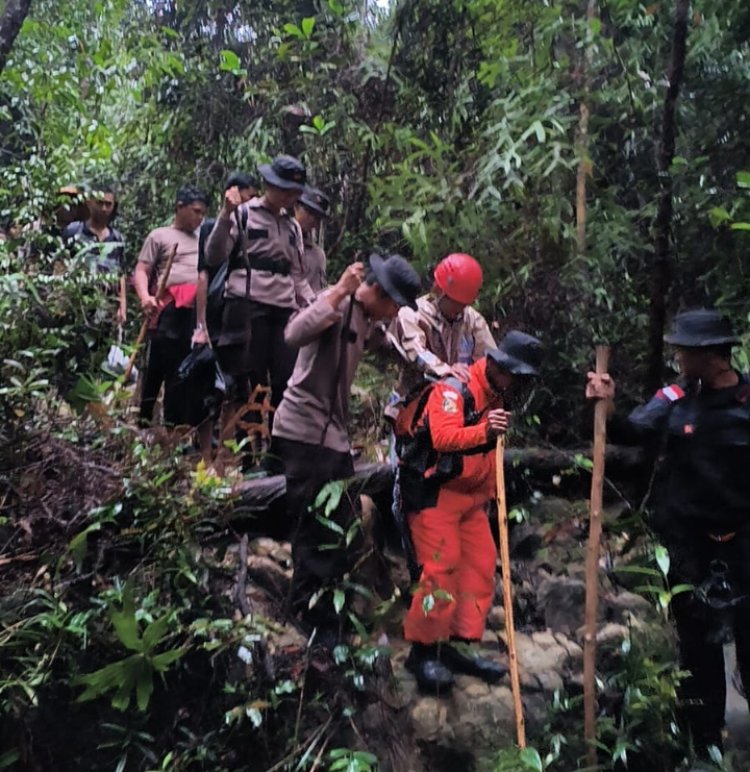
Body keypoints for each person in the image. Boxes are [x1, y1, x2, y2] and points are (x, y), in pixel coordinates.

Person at [586, 308, 750, 757]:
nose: (678, 354)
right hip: (688, 541)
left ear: (715, 357)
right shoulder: (675, 396)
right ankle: (705, 744)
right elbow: (633, 431)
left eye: (687, 349)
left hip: (744, 538)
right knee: (696, 645)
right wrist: (608, 402)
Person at [271, 254, 421, 644]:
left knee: (340, 523)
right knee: (314, 524)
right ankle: (307, 615)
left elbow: (378, 342)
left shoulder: (366, 318)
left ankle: (327, 611)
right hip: (304, 432)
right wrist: (338, 290)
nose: (393, 313)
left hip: (331, 437)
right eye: (393, 305)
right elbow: (293, 333)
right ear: (381, 293)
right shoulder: (336, 304)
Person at [400, 331, 542, 693]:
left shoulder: (499, 396)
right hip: (436, 495)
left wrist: (491, 493)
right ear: (496, 366)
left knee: (480, 565)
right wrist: (483, 431)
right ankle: (423, 651)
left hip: (471, 500)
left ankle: (456, 645)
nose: (519, 386)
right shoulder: (453, 390)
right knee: (440, 569)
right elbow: (443, 438)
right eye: (516, 377)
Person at [204, 155, 315, 446]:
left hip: (284, 312)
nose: (291, 198)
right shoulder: (243, 214)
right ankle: (248, 453)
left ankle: (278, 450)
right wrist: (225, 214)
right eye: (286, 190)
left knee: (285, 382)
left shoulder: (292, 228)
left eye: (295, 193)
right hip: (247, 308)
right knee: (249, 385)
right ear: (269, 185)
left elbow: (297, 276)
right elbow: (214, 255)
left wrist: (315, 305)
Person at [133, 185, 208, 425]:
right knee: (159, 365)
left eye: (202, 213)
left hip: (196, 312)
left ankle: (176, 425)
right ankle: (145, 420)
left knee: (186, 369)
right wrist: (146, 297)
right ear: (180, 208)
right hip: (170, 309)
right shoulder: (160, 236)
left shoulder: (204, 239)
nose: (199, 217)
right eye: (195, 211)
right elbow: (141, 270)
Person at [389, 252, 496, 411]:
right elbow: (417, 352)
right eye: (456, 303)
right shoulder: (412, 315)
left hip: (455, 405)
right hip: (413, 403)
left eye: (463, 304)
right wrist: (446, 370)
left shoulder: (473, 321)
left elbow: (488, 360)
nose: (460, 309)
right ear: (441, 292)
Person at [62, 184, 127, 325]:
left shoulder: (117, 238)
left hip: (107, 306)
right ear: (90, 202)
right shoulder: (74, 231)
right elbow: (61, 265)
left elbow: (120, 273)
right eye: (99, 203)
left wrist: (122, 306)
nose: (104, 208)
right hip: (78, 304)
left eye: (108, 204)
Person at [294, 186, 330, 293]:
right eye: (309, 212)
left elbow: (318, 290)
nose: (312, 219)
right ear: (296, 207)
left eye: (317, 217)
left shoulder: (317, 255)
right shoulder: (279, 239)